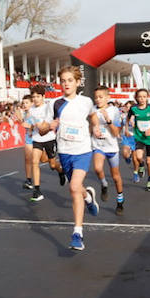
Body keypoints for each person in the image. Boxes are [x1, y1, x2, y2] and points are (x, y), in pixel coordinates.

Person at [50, 67, 101, 251]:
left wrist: (95, 128)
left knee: (72, 188)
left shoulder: (86, 101)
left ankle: (77, 234)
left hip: (82, 150)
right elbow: (44, 128)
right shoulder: (55, 103)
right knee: (77, 189)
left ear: (78, 82)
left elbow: (93, 117)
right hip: (64, 151)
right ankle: (88, 197)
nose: (66, 84)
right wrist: (49, 126)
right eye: (63, 80)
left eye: (70, 80)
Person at [89, 85, 125, 213]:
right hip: (98, 145)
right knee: (98, 168)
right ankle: (104, 184)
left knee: (115, 176)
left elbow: (116, 133)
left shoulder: (114, 110)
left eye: (101, 97)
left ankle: (120, 200)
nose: (98, 100)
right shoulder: (92, 110)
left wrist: (108, 120)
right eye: (96, 97)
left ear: (107, 97)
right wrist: (94, 129)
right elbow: (89, 127)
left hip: (112, 147)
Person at [23, 85, 59, 202]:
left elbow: (46, 128)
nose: (36, 99)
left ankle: (61, 171)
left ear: (43, 96)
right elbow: (34, 125)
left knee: (52, 165)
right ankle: (37, 190)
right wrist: (30, 129)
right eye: (34, 97)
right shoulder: (32, 109)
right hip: (37, 139)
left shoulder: (48, 108)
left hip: (49, 138)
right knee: (34, 162)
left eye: (38, 96)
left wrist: (40, 126)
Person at [127, 88, 150, 192]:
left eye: (144, 97)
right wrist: (129, 124)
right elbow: (129, 118)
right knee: (138, 156)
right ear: (136, 98)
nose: (142, 99)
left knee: (149, 161)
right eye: (140, 97)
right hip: (139, 137)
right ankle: (141, 164)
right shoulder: (133, 109)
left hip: (149, 138)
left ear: (147, 97)